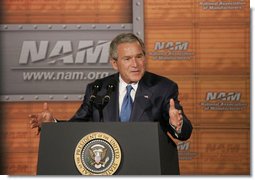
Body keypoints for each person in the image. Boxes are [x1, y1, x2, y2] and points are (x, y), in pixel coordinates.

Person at [29, 32, 192, 141]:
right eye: (127, 59)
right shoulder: (97, 89)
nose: (135, 64)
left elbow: (184, 133)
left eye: (139, 57)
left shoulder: (163, 88)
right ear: (114, 63)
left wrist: (177, 124)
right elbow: (77, 127)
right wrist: (53, 124)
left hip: (147, 165)